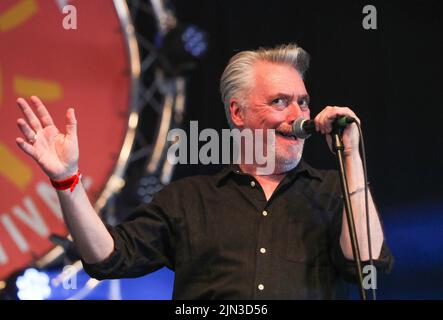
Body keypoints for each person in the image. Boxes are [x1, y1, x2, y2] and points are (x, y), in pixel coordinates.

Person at [15, 43, 392, 299]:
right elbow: (107, 258)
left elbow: (367, 266)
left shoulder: (331, 191)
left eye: (303, 103)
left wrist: (351, 157)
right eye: (280, 102)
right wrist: (66, 180)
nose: (298, 116)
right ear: (238, 113)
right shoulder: (189, 200)